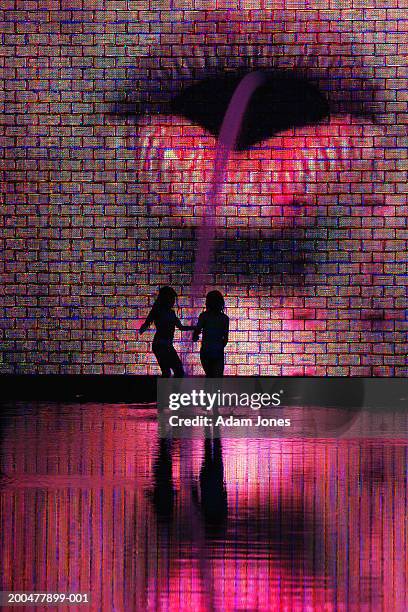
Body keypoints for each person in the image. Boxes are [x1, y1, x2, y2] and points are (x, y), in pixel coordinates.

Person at [139, 286, 192, 377]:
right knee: (173, 372)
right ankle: (170, 390)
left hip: (165, 345)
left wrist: (196, 327)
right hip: (161, 345)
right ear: (165, 299)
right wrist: (142, 328)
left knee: (172, 372)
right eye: (171, 299)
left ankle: (169, 389)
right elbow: (147, 322)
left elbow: (181, 327)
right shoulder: (158, 311)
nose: (173, 302)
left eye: (173, 299)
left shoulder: (171, 313)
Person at [193, 291, 229, 377]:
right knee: (218, 378)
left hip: (206, 350)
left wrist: (195, 336)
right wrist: (219, 346)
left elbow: (197, 331)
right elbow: (225, 339)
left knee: (209, 376)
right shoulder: (224, 318)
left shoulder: (204, 316)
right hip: (217, 351)